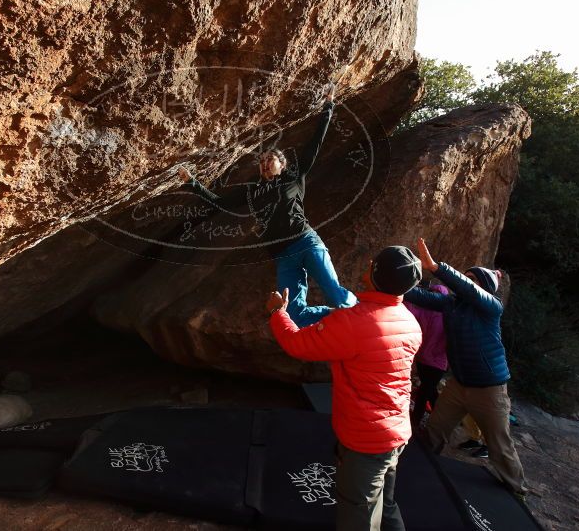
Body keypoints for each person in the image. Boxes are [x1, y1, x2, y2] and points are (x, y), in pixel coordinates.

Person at [267, 246, 423, 531]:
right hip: (396, 432)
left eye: (373, 261)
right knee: (386, 506)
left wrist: (279, 313)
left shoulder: (354, 322)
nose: (369, 260)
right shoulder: (410, 321)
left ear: (376, 273)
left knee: (358, 516)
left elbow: (297, 344)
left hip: (366, 440)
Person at [178, 84, 355, 328]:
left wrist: (328, 106)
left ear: (282, 164)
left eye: (269, 159)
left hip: (305, 242)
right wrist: (194, 184)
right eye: (261, 162)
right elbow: (220, 202)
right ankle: (340, 316)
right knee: (294, 314)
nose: (264, 163)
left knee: (336, 295)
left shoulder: (292, 177)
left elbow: (314, 144)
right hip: (282, 255)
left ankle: (355, 311)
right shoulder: (252, 191)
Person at [404, 238, 528, 498]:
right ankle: (418, 468)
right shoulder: (451, 304)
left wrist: (438, 268)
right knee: (435, 430)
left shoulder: (491, 307)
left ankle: (516, 489)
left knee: (499, 445)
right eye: (465, 276)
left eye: (472, 279)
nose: (465, 280)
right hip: (458, 384)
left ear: (484, 288)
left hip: (489, 389)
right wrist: (392, 282)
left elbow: (469, 290)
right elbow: (420, 297)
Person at [404, 283, 450, 430]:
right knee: (428, 389)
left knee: (427, 389)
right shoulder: (450, 315)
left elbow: (409, 309)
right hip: (438, 361)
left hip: (423, 358)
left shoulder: (422, 310)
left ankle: (419, 419)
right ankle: (432, 420)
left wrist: (403, 292)